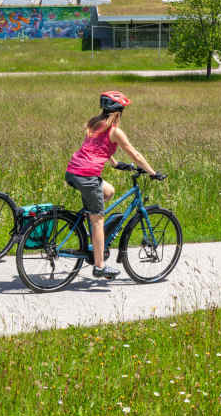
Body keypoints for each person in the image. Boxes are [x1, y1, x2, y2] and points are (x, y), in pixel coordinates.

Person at [65, 91, 164, 280]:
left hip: (73, 171)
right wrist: (153, 173)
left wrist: (115, 163)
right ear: (118, 112)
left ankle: (91, 230)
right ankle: (100, 266)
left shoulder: (94, 123)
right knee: (98, 220)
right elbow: (135, 154)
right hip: (87, 176)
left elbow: (96, 147)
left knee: (109, 191)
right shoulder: (115, 131)